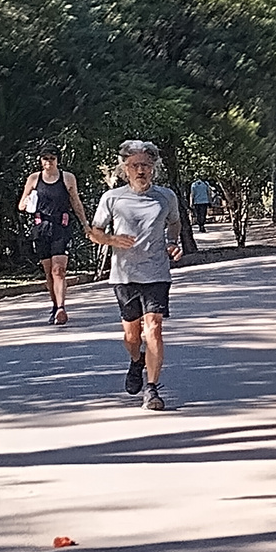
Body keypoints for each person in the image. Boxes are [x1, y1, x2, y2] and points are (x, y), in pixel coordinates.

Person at [86, 140, 182, 411]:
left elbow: (174, 223)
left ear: (154, 168)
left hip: (157, 272)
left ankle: (151, 389)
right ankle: (137, 360)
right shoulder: (112, 198)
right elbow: (94, 232)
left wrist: (172, 242)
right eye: (134, 165)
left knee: (154, 327)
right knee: (131, 335)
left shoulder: (166, 197)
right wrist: (113, 239)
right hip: (124, 275)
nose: (141, 170)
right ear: (124, 169)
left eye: (146, 165)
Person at [17, 145, 90, 326]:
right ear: (40, 160)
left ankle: (61, 308)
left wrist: (85, 225)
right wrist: (27, 203)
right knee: (49, 272)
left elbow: (76, 202)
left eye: (52, 158)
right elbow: (21, 205)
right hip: (41, 227)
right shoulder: (34, 179)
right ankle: (54, 305)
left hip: (61, 226)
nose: (48, 162)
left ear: (58, 160)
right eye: (45, 158)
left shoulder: (67, 178)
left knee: (59, 270)